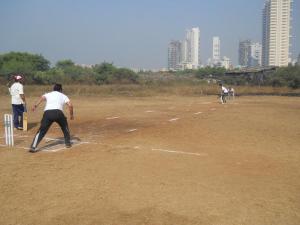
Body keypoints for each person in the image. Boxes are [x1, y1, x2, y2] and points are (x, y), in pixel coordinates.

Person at [29, 84, 74, 153]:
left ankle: (33, 147)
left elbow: (42, 98)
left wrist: (35, 106)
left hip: (47, 113)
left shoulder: (48, 94)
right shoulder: (64, 96)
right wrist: (71, 115)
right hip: (58, 113)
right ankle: (67, 143)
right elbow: (70, 106)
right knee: (65, 127)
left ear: (53, 89)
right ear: (61, 90)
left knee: (41, 131)